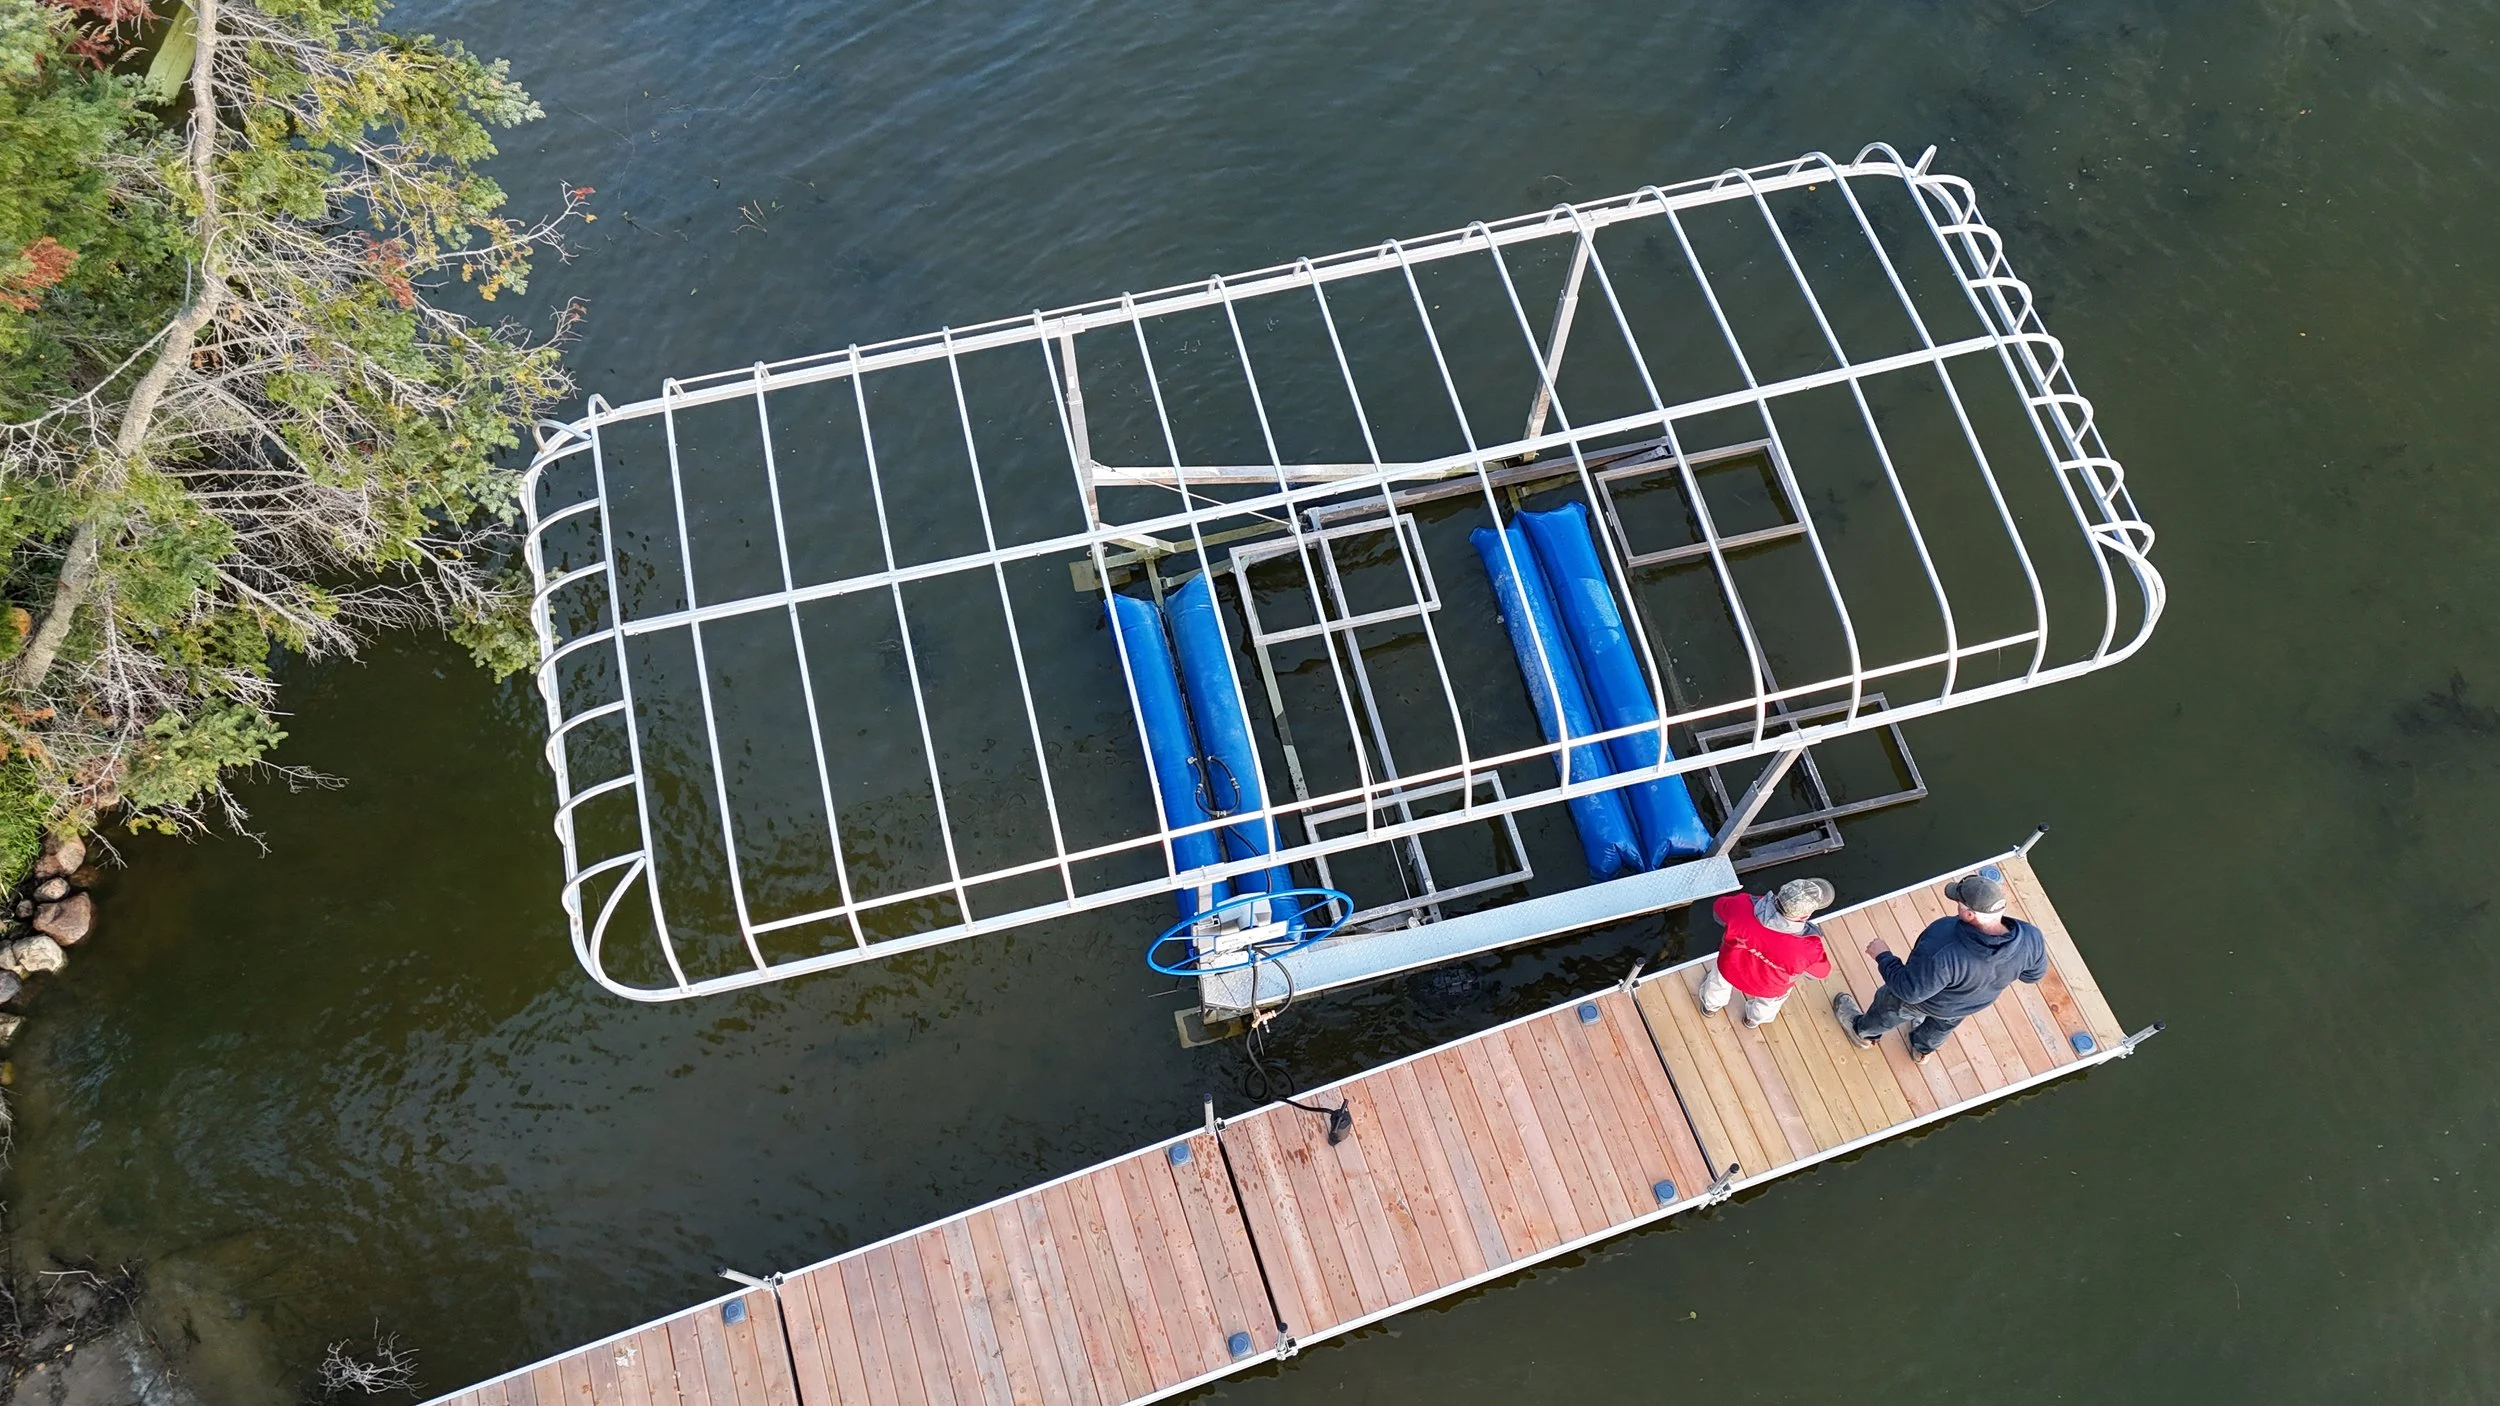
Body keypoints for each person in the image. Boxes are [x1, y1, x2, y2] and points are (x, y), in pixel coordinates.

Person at [1832, 867, 2047, 1062]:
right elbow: (2032, 976)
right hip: (1968, 1004)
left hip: (1923, 1002)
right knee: (1941, 1027)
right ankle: (1922, 1050)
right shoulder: (2031, 936)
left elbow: (1910, 991)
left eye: (1959, 904)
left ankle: (1863, 1033)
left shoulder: (1943, 943)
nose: (1956, 907)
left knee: (1888, 1008)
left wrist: (1884, 956)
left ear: (1970, 914)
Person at [1696, 877, 1836, 1028]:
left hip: (1730, 967)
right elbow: (1819, 973)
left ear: (1780, 893)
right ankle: (1752, 1020)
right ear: (1805, 916)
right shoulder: (1809, 948)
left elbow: (1719, 909)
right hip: (1769, 987)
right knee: (1767, 1005)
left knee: (1717, 983)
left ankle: (1710, 1007)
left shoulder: (1741, 905)